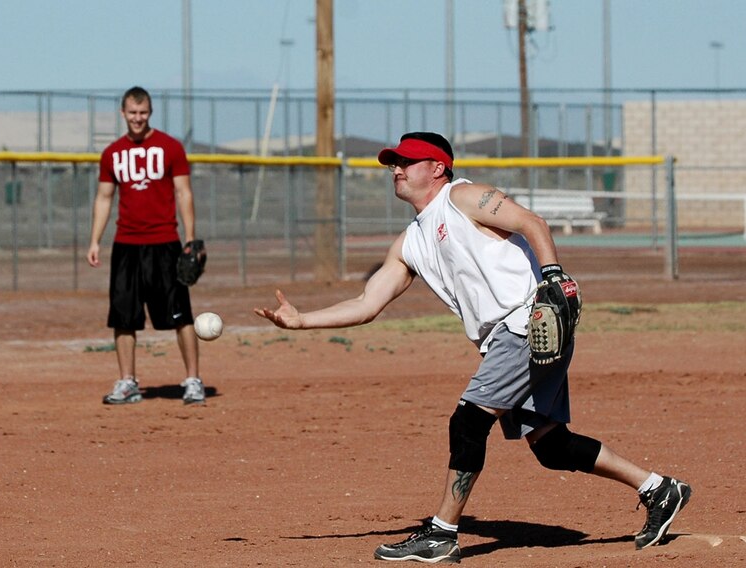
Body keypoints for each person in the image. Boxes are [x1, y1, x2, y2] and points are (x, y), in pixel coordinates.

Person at [254, 132, 691, 563]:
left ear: (437, 168)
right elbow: (368, 303)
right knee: (551, 446)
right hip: (505, 336)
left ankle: (442, 533)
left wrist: (554, 276)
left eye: (406, 162)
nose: (396, 169)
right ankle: (658, 488)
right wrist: (302, 320)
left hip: (529, 320)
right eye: (394, 162)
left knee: (467, 422)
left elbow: (531, 222)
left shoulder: (463, 197)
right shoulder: (410, 242)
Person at [87, 86, 206, 406]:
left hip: (165, 243)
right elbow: (104, 198)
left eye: (143, 113)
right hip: (127, 245)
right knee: (123, 317)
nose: (137, 118)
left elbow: (184, 193)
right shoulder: (112, 153)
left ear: (149, 113)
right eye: (132, 113)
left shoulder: (170, 147)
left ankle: (193, 380)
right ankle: (128, 383)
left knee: (182, 316)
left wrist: (190, 240)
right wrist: (95, 240)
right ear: (122, 114)